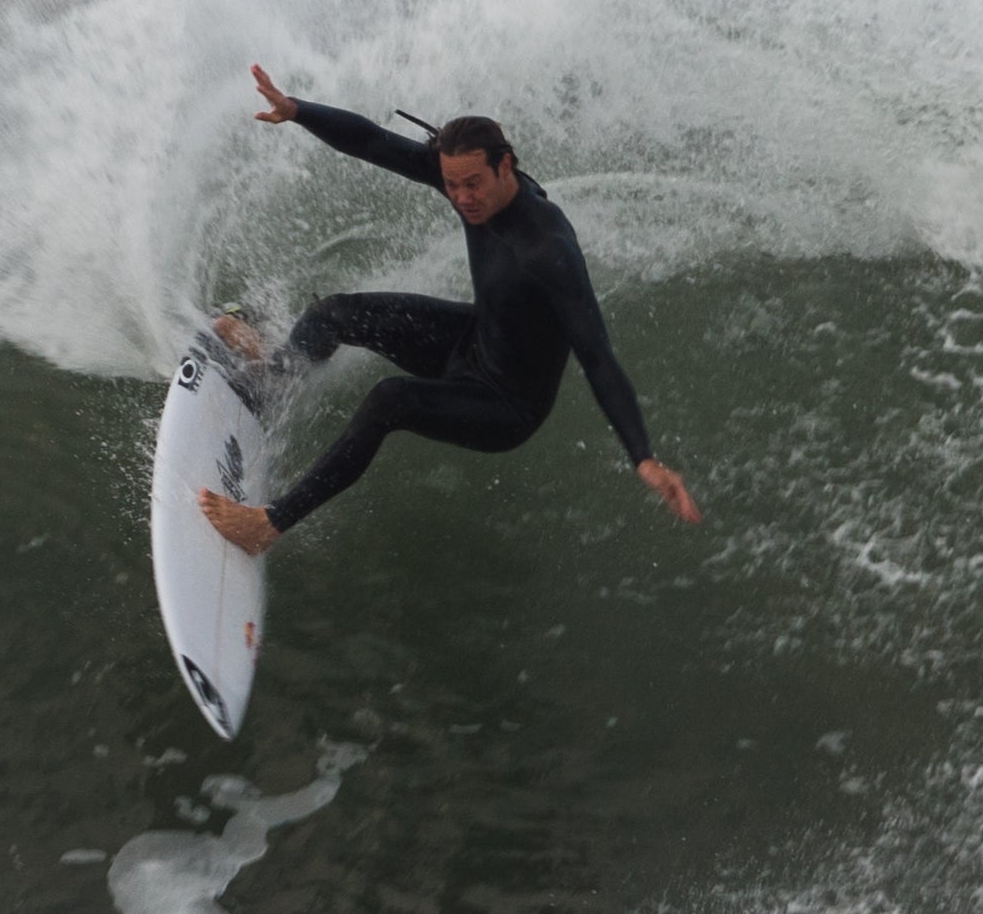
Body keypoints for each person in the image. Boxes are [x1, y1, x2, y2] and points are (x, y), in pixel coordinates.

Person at [196, 64, 702, 553]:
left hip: (505, 404)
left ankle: (268, 525)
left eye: (473, 184)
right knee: (334, 313)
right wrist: (298, 109)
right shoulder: (464, 178)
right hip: (473, 340)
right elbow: (373, 142)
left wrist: (644, 457)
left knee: (389, 400)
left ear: (506, 166)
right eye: (452, 184)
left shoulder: (548, 249)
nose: (462, 198)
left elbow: (597, 355)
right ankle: (275, 375)